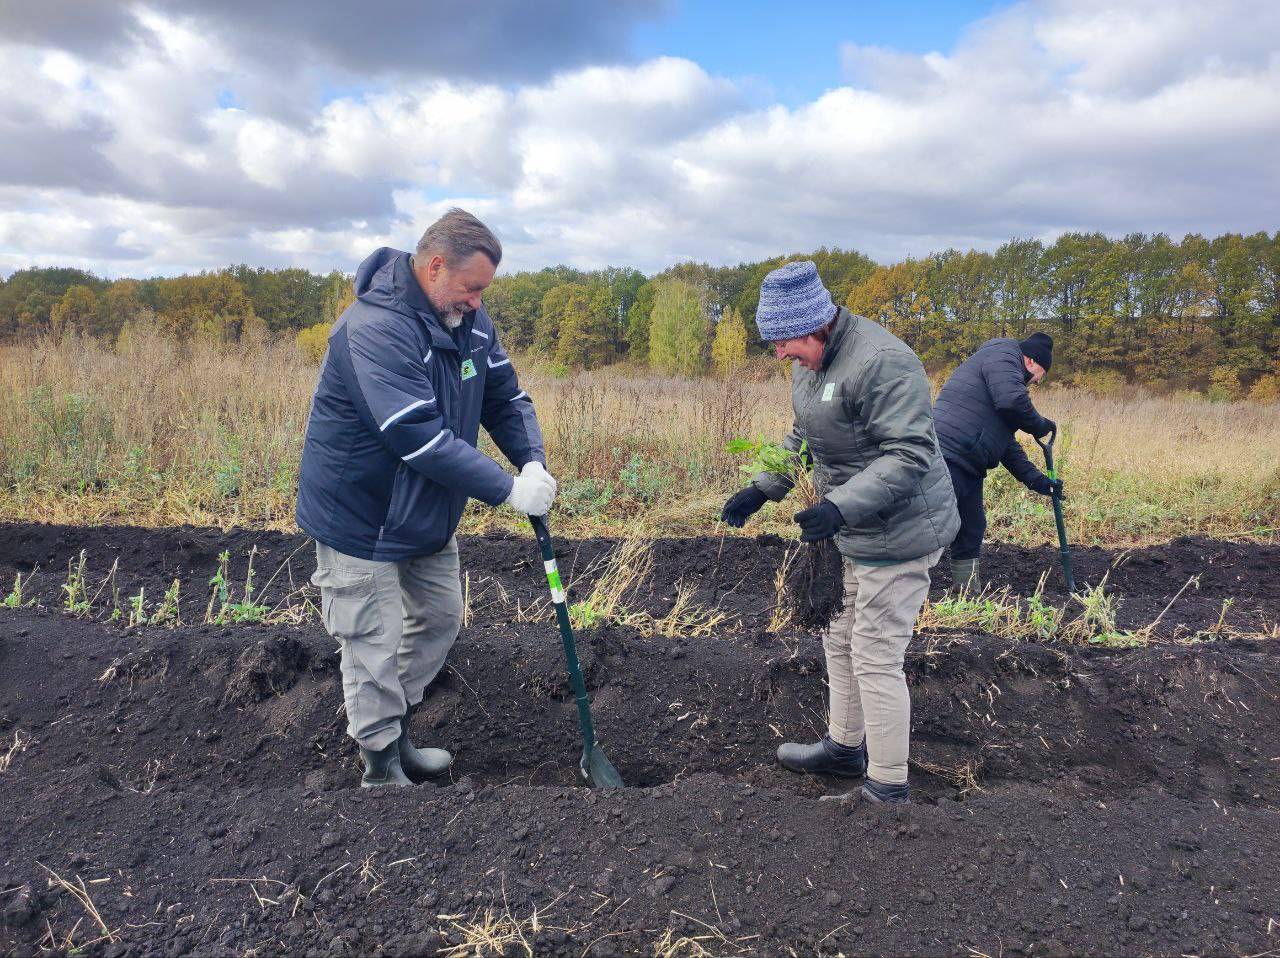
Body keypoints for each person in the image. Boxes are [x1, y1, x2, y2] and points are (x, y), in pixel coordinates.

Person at [297, 209, 556, 788]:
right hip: (361, 515)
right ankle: (381, 765)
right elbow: (419, 436)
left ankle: (397, 727)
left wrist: (530, 459)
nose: (478, 302)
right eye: (472, 288)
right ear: (435, 265)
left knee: (440, 617)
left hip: (426, 510)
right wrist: (507, 489)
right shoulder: (374, 330)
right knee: (372, 637)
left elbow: (506, 398)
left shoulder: (470, 323)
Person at [721, 261, 958, 805]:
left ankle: (888, 786)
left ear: (815, 324)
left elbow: (911, 454)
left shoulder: (884, 362)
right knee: (838, 632)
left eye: (783, 342)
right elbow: (804, 435)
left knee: (875, 650)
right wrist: (764, 487)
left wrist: (838, 507)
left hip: (901, 532)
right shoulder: (811, 366)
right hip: (854, 527)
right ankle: (845, 748)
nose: (779, 355)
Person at [932, 333, 1058, 592]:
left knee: (972, 526)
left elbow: (1006, 445)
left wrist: (1038, 481)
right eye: (1040, 375)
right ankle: (902, 589)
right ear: (1032, 362)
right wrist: (1038, 424)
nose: (1036, 381)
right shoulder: (1002, 354)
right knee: (930, 525)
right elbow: (1012, 401)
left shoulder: (1003, 382)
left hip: (969, 463)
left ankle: (966, 592)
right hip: (947, 455)